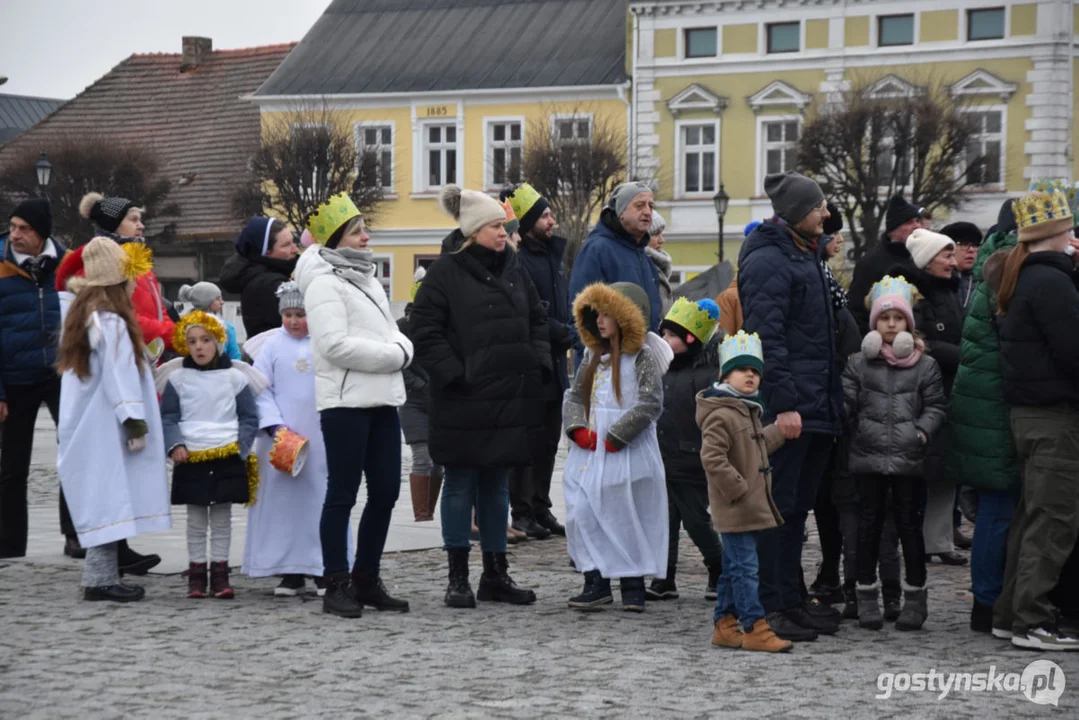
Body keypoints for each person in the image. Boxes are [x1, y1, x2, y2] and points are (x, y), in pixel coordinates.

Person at [410, 185, 550, 609]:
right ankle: (457, 577)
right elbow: (426, 332)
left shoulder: (514, 267)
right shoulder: (443, 274)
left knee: (496, 487)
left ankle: (496, 574)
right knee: (459, 484)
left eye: (503, 225)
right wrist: (455, 375)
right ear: (474, 231)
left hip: (509, 397)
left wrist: (538, 362)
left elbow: (537, 317)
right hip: (463, 400)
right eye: (495, 226)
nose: (503, 232)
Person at [294, 193, 412, 618]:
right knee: (342, 493)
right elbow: (333, 345)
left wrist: (399, 345)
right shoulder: (325, 282)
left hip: (381, 399)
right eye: (357, 231)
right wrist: (394, 355)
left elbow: (390, 332)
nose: (366, 237)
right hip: (344, 402)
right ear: (337, 239)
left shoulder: (365, 278)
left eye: (365, 229)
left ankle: (366, 577)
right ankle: (336, 582)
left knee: (385, 490)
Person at [736, 172, 842, 642]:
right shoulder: (769, 261)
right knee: (778, 509)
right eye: (819, 206)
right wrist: (784, 405)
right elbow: (767, 340)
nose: (826, 213)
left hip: (816, 402)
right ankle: (769, 606)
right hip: (792, 406)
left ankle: (792, 598)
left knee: (796, 510)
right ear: (799, 212)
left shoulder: (804, 254)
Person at [55, 236, 171, 601]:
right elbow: (119, 377)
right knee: (110, 498)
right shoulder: (112, 324)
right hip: (108, 425)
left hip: (88, 423)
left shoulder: (82, 316)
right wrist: (133, 420)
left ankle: (100, 575)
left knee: (102, 496)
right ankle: (100, 579)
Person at [992, 187, 1079, 651]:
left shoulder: (1027, 275)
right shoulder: (1051, 282)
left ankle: (1011, 615)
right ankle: (1032, 621)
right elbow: (1072, 351)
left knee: (1031, 519)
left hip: (1031, 416)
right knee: (1053, 522)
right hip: (1054, 418)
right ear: (1059, 232)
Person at [562, 281, 673, 612]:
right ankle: (594, 578)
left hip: (627, 449)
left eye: (608, 313)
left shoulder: (641, 358)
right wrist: (578, 427)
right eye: (597, 314)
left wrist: (617, 434)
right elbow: (575, 395)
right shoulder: (593, 357)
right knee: (584, 511)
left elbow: (650, 402)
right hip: (590, 450)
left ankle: (632, 582)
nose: (600, 320)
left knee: (626, 512)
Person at [844, 276, 946, 632]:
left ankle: (915, 599)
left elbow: (935, 406)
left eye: (897, 319)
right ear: (874, 324)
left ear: (908, 324)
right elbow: (846, 402)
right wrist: (853, 422)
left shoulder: (925, 365)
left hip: (908, 458)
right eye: (884, 318)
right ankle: (866, 597)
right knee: (868, 528)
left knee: (908, 528)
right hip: (868, 456)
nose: (890, 324)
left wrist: (920, 433)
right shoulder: (859, 364)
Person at [947, 197, 1021, 632]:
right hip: (996, 405)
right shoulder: (1008, 268)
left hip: (984, 401)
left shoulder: (993, 266)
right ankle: (989, 601)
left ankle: (987, 601)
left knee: (996, 506)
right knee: (999, 507)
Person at [698, 330, 792, 652]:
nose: (750, 376)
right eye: (742, 370)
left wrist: (777, 432)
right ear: (726, 374)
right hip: (735, 505)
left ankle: (724, 624)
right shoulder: (722, 413)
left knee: (732, 567)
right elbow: (712, 457)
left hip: (746, 505)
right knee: (745, 568)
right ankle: (753, 626)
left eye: (755, 371)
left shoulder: (746, 409)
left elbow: (755, 449)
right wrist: (738, 489)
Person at [160, 311, 259, 599]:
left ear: (218, 342)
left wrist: (241, 448)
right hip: (191, 455)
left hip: (226, 452)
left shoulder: (235, 378)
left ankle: (220, 573)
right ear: (184, 344)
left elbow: (248, 416)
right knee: (195, 519)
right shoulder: (177, 379)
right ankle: (196, 573)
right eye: (192, 341)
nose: (199, 347)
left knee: (221, 517)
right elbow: (168, 417)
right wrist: (175, 444)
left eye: (205, 340)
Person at [243, 282, 332, 596]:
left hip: (320, 437)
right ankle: (289, 570)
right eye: (289, 314)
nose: (294, 321)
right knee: (283, 504)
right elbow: (259, 388)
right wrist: (275, 426)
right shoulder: (271, 346)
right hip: (281, 438)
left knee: (319, 500)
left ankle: (323, 567)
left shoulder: (323, 343)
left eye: (301, 314)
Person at [0, 199, 72, 559]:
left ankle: (75, 535)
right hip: (14, 377)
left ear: (41, 231)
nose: (15, 234)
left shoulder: (67, 263)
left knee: (74, 456)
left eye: (24, 228)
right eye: (13, 226)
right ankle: (9, 545)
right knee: (12, 467)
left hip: (62, 374)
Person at [502, 183, 573, 539]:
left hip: (556, 364)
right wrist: (564, 332)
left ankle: (541, 506)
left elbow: (560, 305)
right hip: (533, 364)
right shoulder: (521, 260)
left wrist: (573, 326)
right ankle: (523, 510)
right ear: (528, 222)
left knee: (547, 442)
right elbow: (533, 312)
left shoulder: (551, 257)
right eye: (545, 215)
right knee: (527, 445)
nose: (552, 220)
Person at [897, 229, 968, 568]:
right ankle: (910, 536)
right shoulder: (915, 294)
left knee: (945, 469)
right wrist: (965, 354)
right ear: (927, 260)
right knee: (919, 470)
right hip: (924, 391)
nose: (953, 263)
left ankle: (939, 539)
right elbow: (921, 341)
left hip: (953, 389)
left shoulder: (951, 292)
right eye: (946, 256)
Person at [648, 297, 724, 602]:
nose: (664, 340)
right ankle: (664, 576)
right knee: (663, 521)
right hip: (662, 456)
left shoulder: (707, 374)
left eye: (671, 336)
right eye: (663, 334)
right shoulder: (661, 370)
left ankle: (718, 566)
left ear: (691, 339)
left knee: (697, 520)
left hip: (691, 458)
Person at [62, 192, 175, 351]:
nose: (141, 226)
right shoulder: (97, 266)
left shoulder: (140, 265)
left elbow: (160, 312)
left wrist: (177, 333)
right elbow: (118, 318)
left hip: (149, 356)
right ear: (113, 225)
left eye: (140, 220)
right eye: (133, 219)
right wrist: (174, 334)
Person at [569, 182, 663, 348]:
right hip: (606, 365)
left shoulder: (642, 255)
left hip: (640, 361)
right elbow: (582, 317)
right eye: (639, 205)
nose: (648, 212)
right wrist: (602, 361)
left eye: (651, 205)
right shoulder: (597, 250)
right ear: (621, 212)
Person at [399, 268, 443, 523]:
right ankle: (421, 514)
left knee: (438, 460)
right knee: (422, 456)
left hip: (438, 400)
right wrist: (419, 385)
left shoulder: (442, 324)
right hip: (413, 402)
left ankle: (429, 510)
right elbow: (399, 365)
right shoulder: (401, 327)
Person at [848, 194, 923, 333]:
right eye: (909, 222)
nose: (916, 226)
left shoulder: (922, 256)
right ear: (893, 230)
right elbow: (856, 311)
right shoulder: (871, 262)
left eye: (917, 221)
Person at [219, 217, 299, 339]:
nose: (295, 249)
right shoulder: (270, 285)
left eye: (293, 242)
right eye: (286, 245)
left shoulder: (259, 277)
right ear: (267, 253)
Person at [177, 282, 242, 361]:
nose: (222, 302)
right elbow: (235, 358)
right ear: (206, 302)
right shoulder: (226, 328)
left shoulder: (183, 327)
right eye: (218, 299)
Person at [940, 222, 983, 312]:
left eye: (975, 245)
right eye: (964, 244)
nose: (971, 250)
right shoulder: (937, 278)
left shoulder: (982, 280)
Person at [646, 211, 674, 315]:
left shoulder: (657, 266)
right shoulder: (641, 268)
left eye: (661, 234)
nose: (662, 240)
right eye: (656, 234)